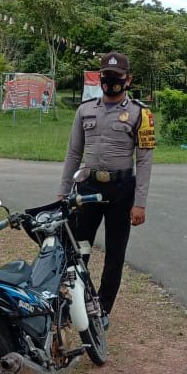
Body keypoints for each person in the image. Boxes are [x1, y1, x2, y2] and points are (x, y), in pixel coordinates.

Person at [58, 52, 155, 329]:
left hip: (121, 190)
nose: (110, 82)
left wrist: (140, 203)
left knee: (115, 252)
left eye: (116, 78)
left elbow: (145, 160)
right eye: (106, 77)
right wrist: (63, 192)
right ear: (99, 79)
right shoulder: (85, 110)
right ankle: (75, 304)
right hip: (87, 186)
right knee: (79, 249)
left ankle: (102, 309)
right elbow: (73, 153)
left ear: (128, 80)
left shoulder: (140, 113)